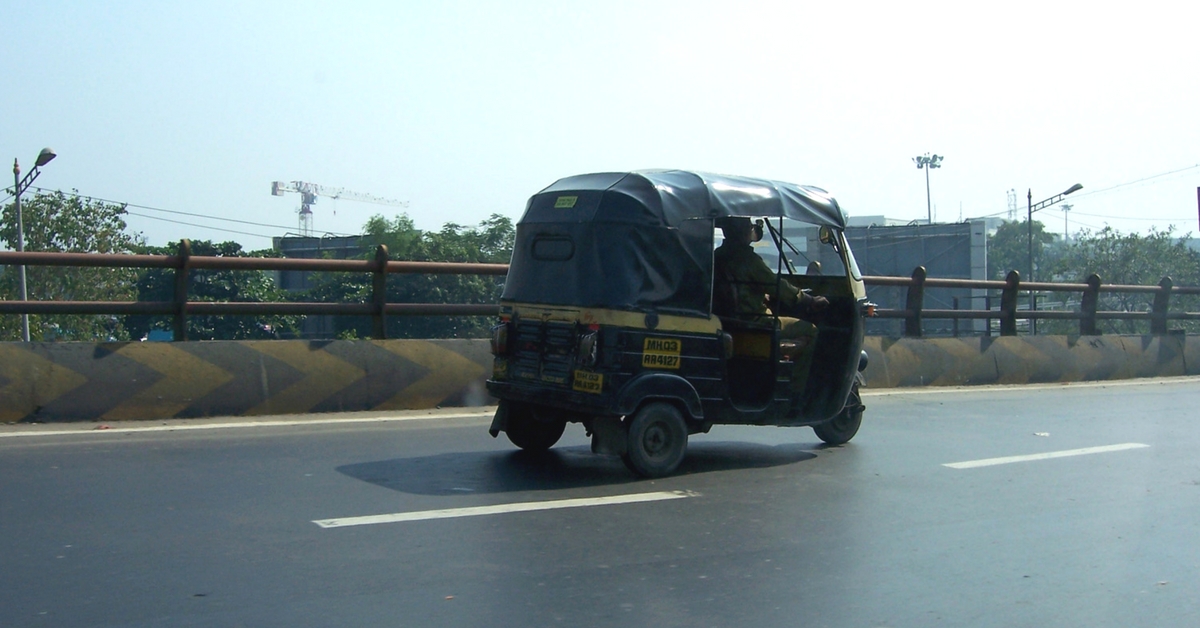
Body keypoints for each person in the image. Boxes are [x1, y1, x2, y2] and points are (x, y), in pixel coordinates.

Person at [713, 217, 827, 393]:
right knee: (810, 330)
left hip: (726, 322)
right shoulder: (748, 259)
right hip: (755, 322)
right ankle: (795, 392)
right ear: (743, 231)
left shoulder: (716, 256)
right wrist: (808, 299)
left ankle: (783, 351)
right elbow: (776, 284)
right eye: (750, 226)